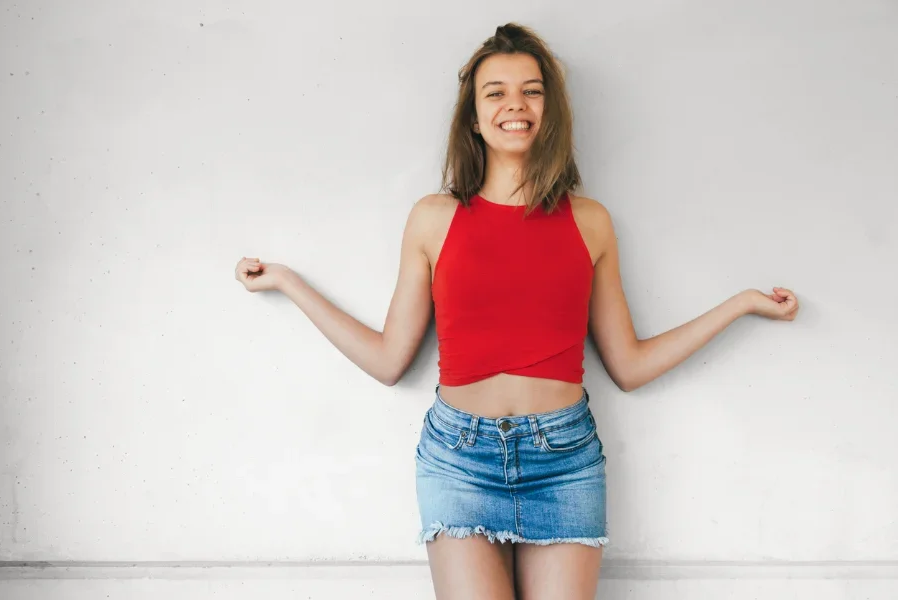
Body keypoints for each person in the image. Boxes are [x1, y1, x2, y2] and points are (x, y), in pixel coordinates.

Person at [234, 22, 799, 600]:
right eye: (495, 92)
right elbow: (388, 358)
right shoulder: (434, 218)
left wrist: (740, 305)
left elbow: (627, 366)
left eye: (531, 90)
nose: (515, 105)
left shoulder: (591, 221)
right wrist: (289, 283)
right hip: (459, 459)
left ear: (549, 110)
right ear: (473, 118)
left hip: (565, 459)